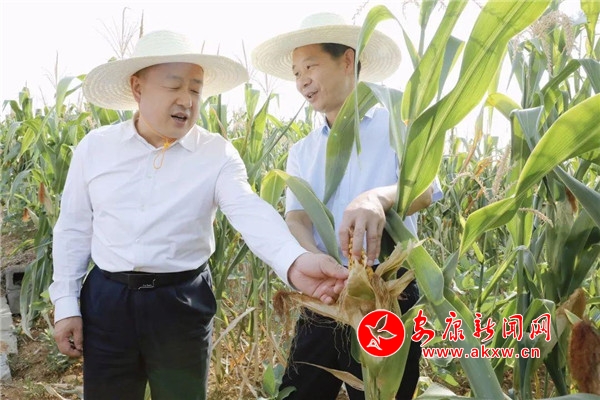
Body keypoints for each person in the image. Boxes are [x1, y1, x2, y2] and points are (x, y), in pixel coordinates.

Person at [48, 30, 349, 400]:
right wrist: (66, 304)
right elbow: (73, 229)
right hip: (108, 302)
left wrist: (294, 261)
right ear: (138, 88)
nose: (186, 100)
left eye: (195, 89)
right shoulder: (96, 148)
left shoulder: (216, 154)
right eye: (174, 86)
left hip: (181, 304)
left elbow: (249, 209)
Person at [252, 12, 443, 400]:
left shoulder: (397, 123)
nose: (302, 80)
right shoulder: (302, 151)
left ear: (347, 61)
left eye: (311, 66)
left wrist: (378, 198)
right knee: (300, 391)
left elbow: (426, 189)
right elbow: (297, 219)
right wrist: (316, 263)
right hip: (326, 294)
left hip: (387, 291)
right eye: (296, 73)